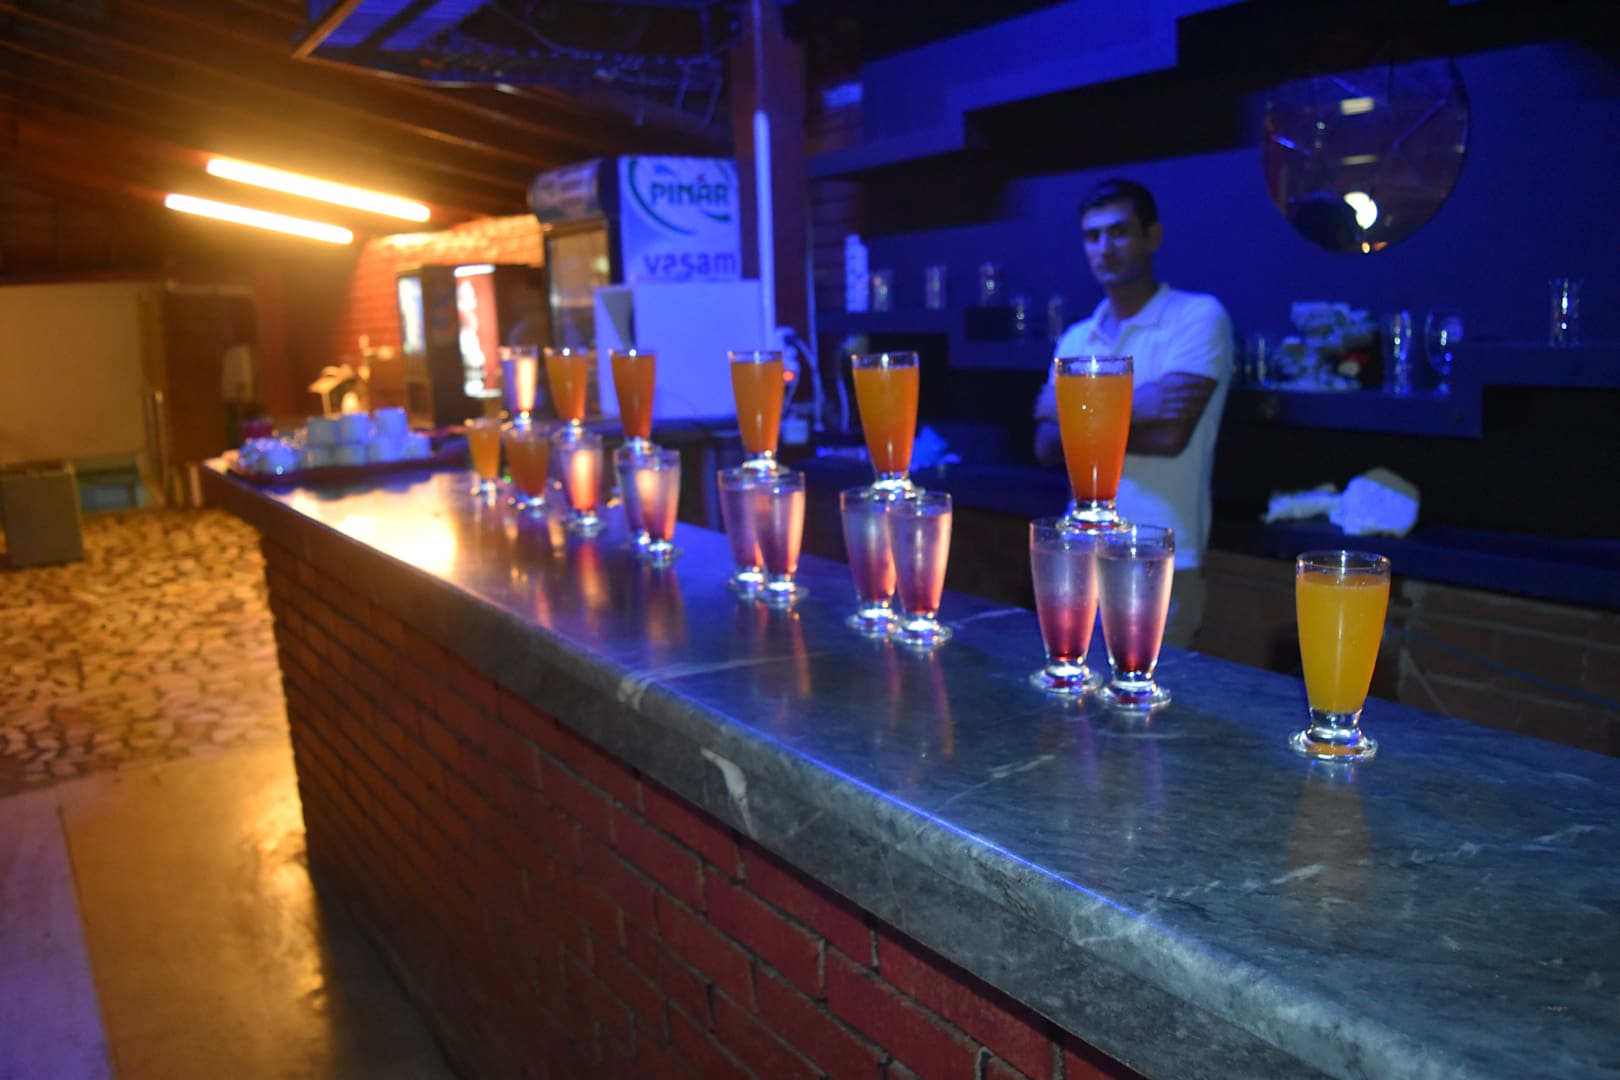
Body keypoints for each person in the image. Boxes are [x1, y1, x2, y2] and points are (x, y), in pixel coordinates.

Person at [1032, 179, 1233, 647]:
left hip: (1158, 554)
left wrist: (1072, 413)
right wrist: (1144, 403)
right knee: (1073, 686)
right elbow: (1044, 446)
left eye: (1119, 231)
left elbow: (1171, 437)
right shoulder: (1077, 337)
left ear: (1152, 236)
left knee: (1143, 690)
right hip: (1079, 551)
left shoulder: (1198, 317)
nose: (1105, 248)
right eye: (1092, 236)